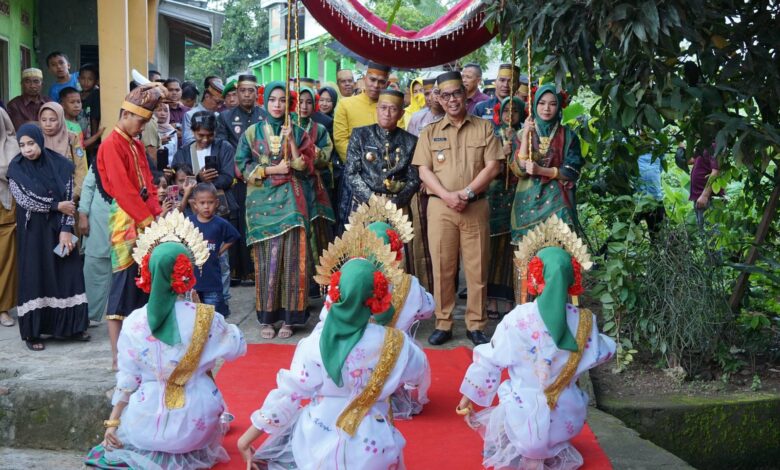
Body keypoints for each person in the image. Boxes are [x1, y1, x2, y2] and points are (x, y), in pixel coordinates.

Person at [237, 251, 428, 469]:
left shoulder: (314, 343)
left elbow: (290, 394)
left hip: (317, 434)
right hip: (371, 443)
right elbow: (417, 371)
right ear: (377, 297)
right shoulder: (396, 343)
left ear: (336, 294)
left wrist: (246, 439)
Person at [84, 213, 246, 469]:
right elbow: (238, 347)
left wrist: (114, 423)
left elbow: (127, 379)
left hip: (143, 426)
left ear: (149, 272)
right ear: (188, 272)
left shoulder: (134, 322)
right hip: (194, 427)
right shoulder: (205, 317)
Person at [457, 215, 616, 470]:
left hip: (523, 413)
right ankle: (551, 448)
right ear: (571, 278)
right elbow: (600, 351)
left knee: (512, 395)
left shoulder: (519, 318)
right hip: (566, 414)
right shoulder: (585, 321)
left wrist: (469, 395)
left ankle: (528, 449)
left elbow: (491, 358)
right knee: (564, 405)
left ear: (535, 279)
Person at [412, 71, 503, 346]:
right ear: (438, 98)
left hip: (475, 206)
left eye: (457, 93)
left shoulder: (484, 128)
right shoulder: (430, 132)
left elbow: (493, 166)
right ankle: (443, 322)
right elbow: (423, 170)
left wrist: (466, 192)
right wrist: (447, 195)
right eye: (446, 95)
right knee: (443, 267)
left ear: (465, 94)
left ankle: (476, 324)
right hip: (441, 208)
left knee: (476, 268)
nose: (452, 100)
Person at [235, 81, 315, 340]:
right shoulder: (251, 132)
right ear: (264, 102)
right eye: (272, 100)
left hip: (292, 203)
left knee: (292, 261)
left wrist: (291, 142)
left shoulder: (299, 131)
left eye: (282, 100)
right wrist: (271, 170)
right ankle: (268, 318)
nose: (277, 105)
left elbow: (305, 167)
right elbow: (240, 166)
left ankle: (291, 319)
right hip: (262, 206)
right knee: (267, 263)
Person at [97, 83, 166, 370]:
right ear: (126, 113)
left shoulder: (135, 144)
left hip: (142, 219)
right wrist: (149, 220)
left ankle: (140, 349)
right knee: (123, 283)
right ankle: (116, 357)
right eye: (140, 121)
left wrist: (158, 215)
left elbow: (147, 186)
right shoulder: (111, 144)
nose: (142, 127)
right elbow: (124, 191)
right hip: (125, 223)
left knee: (143, 284)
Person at [7, 124, 90, 351]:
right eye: (22, 145)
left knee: (68, 271)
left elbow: (69, 201)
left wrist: (66, 228)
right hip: (34, 232)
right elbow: (25, 200)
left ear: (40, 142)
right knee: (36, 275)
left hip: (59, 228)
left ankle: (72, 327)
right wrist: (56, 206)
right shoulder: (16, 169)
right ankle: (33, 332)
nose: (27, 150)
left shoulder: (61, 165)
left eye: (31, 143)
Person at [510, 84, 584, 244]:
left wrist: (541, 170)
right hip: (528, 202)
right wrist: (525, 137)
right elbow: (520, 169)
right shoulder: (522, 134)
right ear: (535, 105)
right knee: (529, 256)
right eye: (542, 103)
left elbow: (572, 171)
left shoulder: (569, 136)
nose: (546, 108)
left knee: (561, 249)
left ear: (559, 106)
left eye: (552, 103)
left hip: (558, 200)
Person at [344, 89, 420, 218]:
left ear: (401, 114)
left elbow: (413, 179)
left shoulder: (410, 141)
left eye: (393, 109)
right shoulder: (360, 135)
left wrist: (394, 203)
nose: (387, 113)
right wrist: (371, 199)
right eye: (383, 108)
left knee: (397, 238)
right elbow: (351, 172)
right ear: (377, 109)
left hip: (397, 207)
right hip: (364, 204)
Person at [486, 96, 525, 318]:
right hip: (494, 197)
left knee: (512, 250)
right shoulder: (492, 134)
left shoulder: (525, 134)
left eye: (515, 111)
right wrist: (503, 151)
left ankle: (509, 301)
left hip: (517, 196)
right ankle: (491, 301)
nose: (510, 115)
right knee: (492, 251)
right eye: (507, 111)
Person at [298, 85, 337, 275]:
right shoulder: (285, 126)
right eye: (300, 102)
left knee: (317, 229)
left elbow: (324, 156)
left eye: (308, 102)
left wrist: (307, 156)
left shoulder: (319, 129)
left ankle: (318, 278)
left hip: (314, 184)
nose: (304, 106)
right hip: (292, 185)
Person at [188, 183, 241, 317]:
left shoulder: (220, 223)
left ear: (217, 203)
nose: (206, 206)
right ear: (195, 204)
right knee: (194, 318)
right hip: (193, 283)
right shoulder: (189, 222)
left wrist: (220, 251)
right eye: (202, 203)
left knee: (214, 318)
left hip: (212, 282)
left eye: (210, 202)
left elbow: (233, 237)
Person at [78, 166, 113, 326]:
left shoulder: (135, 155)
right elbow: (88, 186)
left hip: (126, 220)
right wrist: (83, 214)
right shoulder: (101, 159)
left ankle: (123, 316)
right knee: (94, 266)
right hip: (99, 220)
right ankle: (86, 315)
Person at [38, 102, 88, 201]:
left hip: (69, 196)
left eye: (53, 120)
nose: (47, 124)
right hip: (43, 198)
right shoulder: (36, 139)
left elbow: (81, 168)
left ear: (61, 119)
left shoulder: (72, 138)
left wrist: (75, 194)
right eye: (43, 120)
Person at [0, 108, 19, 328]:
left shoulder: (12, 146)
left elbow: (7, 170)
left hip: (5, 210)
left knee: (4, 260)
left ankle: (3, 308)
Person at [687, 142, 722, 229]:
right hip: (700, 197)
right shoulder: (702, 143)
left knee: (711, 234)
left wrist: (705, 195)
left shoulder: (713, 145)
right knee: (703, 233)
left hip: (709, 198)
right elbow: (690, 161)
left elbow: (715, 172)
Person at [182, 79, 224, 147]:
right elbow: (187, 141)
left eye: (221, 103)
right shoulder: (190, 115)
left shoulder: (218, 116)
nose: (219, 106)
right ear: (207, 96)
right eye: (217, 102)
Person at [78, 63, 102, 160]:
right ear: (78, 79)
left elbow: (94, 118)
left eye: (90, 79)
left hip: (90, 137)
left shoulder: (96, 94)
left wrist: (93, 140)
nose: (86, 82)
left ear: (96, 81)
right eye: (83, 78)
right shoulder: (78, 95)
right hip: (80, 135)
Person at [163, 78, 190, 146]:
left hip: (185, 151)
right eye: (170, 90)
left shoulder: (188, 111)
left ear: (181, 91)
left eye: (177, 90)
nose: (174, 93)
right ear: (164, 90)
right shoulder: (159, 110)